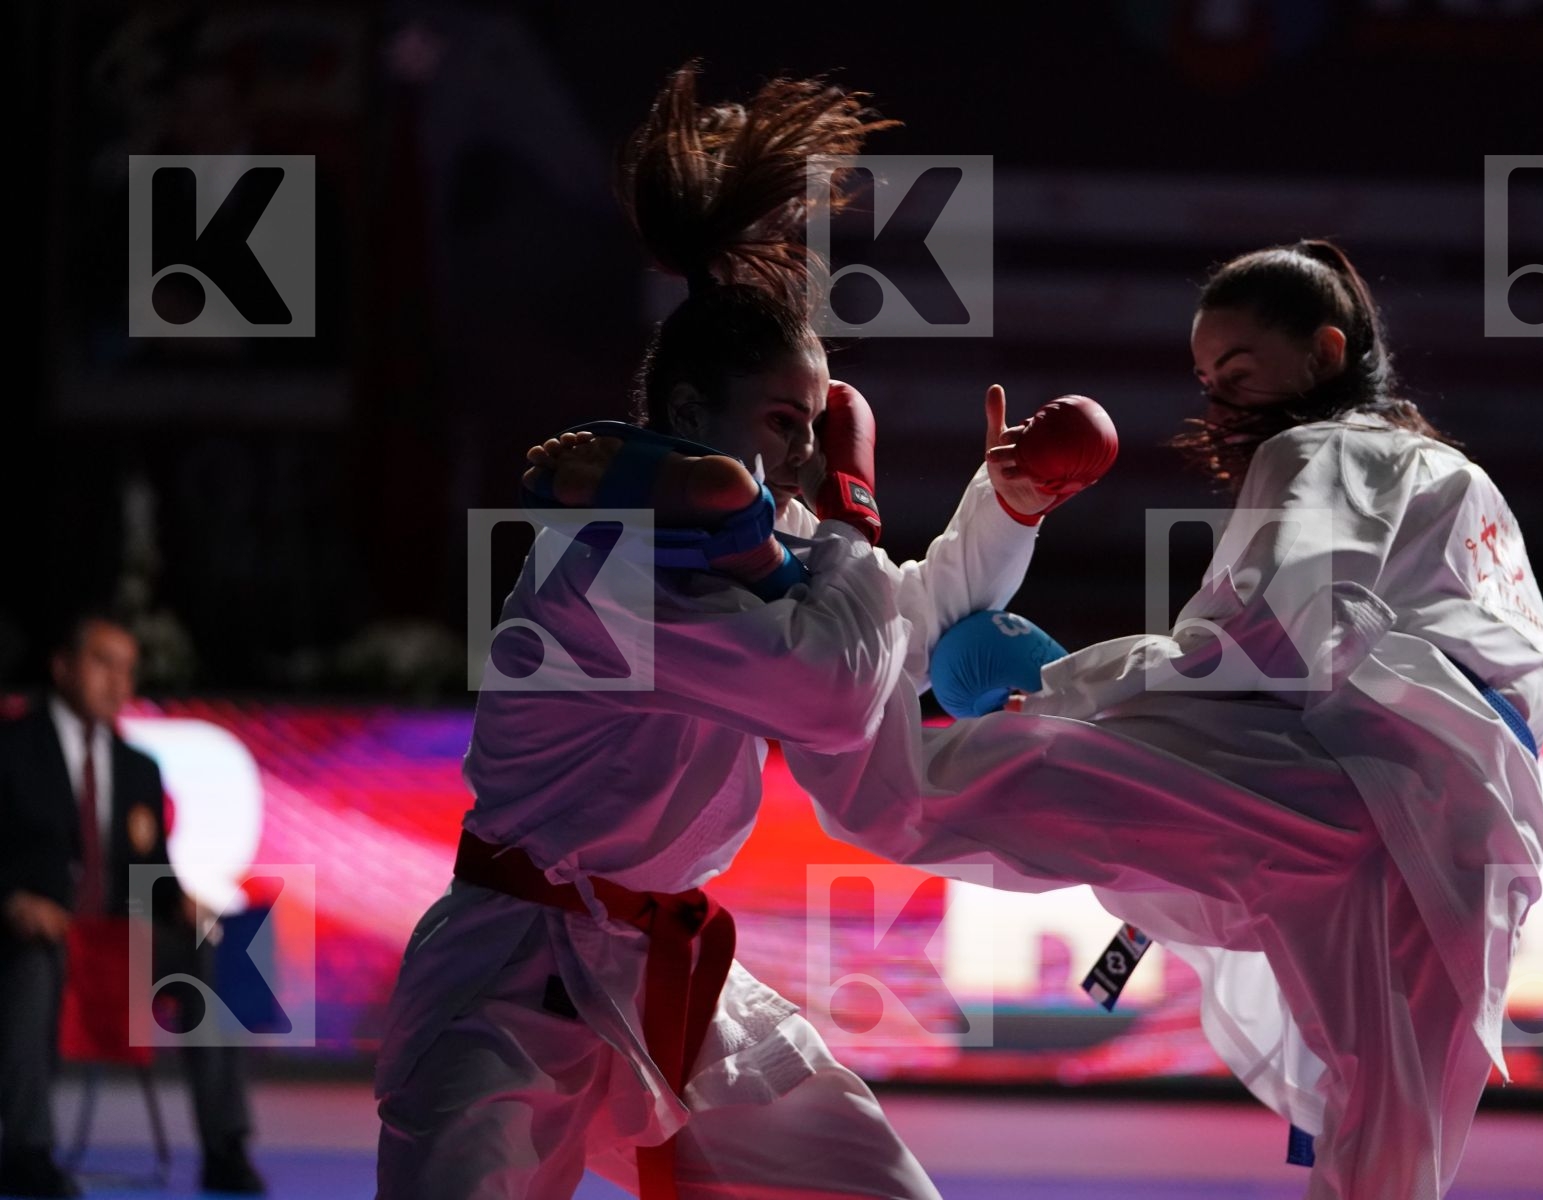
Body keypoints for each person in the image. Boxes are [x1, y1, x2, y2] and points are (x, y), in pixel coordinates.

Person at [374, 64, 1071, 1200]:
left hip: (675, 974)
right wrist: (851, 501)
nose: (802, 452)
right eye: (783, 423)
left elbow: (894, 632)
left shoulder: (770, 534)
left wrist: (1011, 508)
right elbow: (836, 690)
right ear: (691, 420)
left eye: (814, 424)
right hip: (510, 975)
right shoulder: (612, 560)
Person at [785, 240, 1543, 1200]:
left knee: (923, 791)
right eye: (1205, 379)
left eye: (1238, 372)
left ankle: (840, 569)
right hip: (1468, 843)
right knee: (1387, 1162)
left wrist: (1060, 688)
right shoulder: (1460, 480)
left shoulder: (1316, 447)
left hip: (1346, 788)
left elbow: (1277, 640)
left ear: (1325, 353)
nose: (1221, 401)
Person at [0, 611, 263, 1198]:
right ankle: (26, 1150)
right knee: (32, 964)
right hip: (37, 937)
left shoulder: (139, 768)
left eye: (128, 669)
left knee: (202, 952)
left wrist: (180, 900)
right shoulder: (13, 748)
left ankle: (226, 1147)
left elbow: (153, 876)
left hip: (116, 947)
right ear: (63, 666)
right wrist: (13, 900)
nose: (118, 682)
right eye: (102, 663)